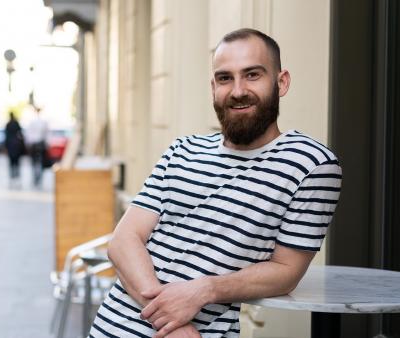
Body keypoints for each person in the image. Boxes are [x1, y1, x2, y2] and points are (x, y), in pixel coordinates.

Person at [88, 28, 342, 338]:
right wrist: (172, 324)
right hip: (112, 327)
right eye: (225, 78)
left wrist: (204, 290)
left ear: (281, 81)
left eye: (252, 75)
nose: (237, 90)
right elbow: (123, 240)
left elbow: (286, 271)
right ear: (213, 87)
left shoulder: (311, 164)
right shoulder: (182, 150)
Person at [26, 107, 48, 187]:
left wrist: (28, 144)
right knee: (40, 162)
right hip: (39, 144)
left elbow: (28, 134)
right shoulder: (42, 121)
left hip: (35, 144)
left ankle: (36, 178)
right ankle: (38, 178)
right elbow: (47, 134)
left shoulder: (33, 121)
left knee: (35, 162)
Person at [5, 112, 25, 187]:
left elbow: (6, 136)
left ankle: (12, 178)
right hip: (16, 146)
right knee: (17, 163)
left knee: (11, 163)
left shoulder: (8, 124)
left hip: (11, 146)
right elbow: (21, 134)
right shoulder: (16, 123)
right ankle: (17, 178)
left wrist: (6, 147)